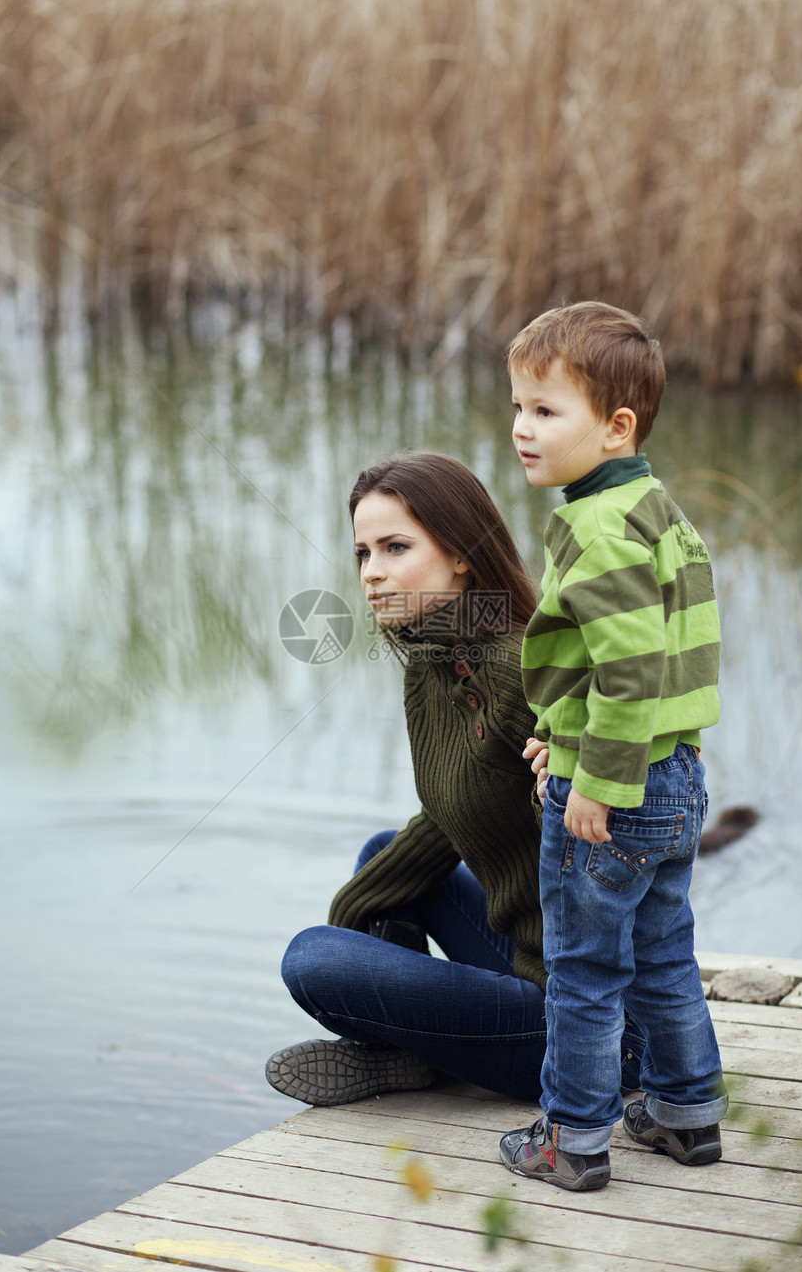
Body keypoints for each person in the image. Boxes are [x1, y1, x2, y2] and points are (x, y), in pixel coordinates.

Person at [265, 452, 644, 1106]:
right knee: (384, 858)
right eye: (362, 552)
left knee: (311, 958)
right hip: (529, 959)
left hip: (591, 1023)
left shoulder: (520, 670)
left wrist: (555, 788)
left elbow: (611, 850)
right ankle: (410, 1050)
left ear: (463, 553)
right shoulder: (432, 670)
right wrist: (357, 916)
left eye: (395, 546)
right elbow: (447, 816)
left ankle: (413, 1047)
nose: (372, 572)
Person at [498, 302, 726, 1193]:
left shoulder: (593, 529)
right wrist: (562, 734)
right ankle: (687, 1114)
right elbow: (664, 659)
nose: (522, 427)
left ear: (616, 426)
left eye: (546, 411)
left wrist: (593, 778)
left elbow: (629, 671)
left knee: (586, 970)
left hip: (619, 786)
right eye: (517, 405)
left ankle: (574, 1138)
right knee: (664, 949)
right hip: (676, 774)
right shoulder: (654, 509)